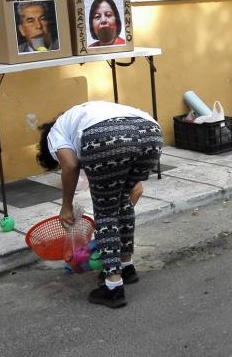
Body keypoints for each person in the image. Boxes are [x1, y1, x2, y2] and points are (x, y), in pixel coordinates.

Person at [36, 101, 163, 308]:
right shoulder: (85, 114)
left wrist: (66, 206)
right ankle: (126, 266)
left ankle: (113, 287)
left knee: (106, 211)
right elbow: (136, 189)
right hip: (151, 133)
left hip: (106, 136)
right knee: (122, 200)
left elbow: (70, 165)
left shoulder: (56, 133)